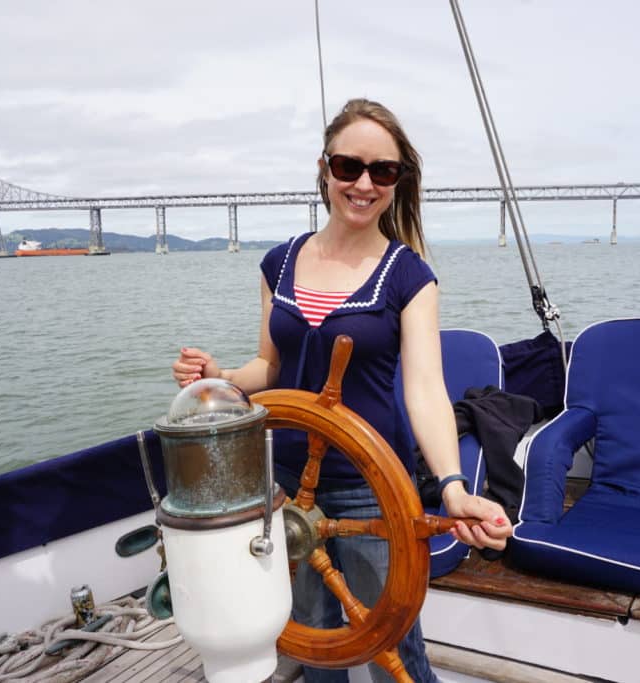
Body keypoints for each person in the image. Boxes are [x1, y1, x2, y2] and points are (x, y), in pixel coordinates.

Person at [171, 98, 511, 682]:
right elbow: (270, 369)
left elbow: (426, 388)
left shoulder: (409, 274)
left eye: (383, 171)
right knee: (313, 643)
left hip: (372, 487)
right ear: (324, 169)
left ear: (399, 183)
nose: (363, 183)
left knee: (392, 647)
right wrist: (220, 377)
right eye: (348, 165)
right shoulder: (279, 264)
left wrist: (453, 489)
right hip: (282, 488)